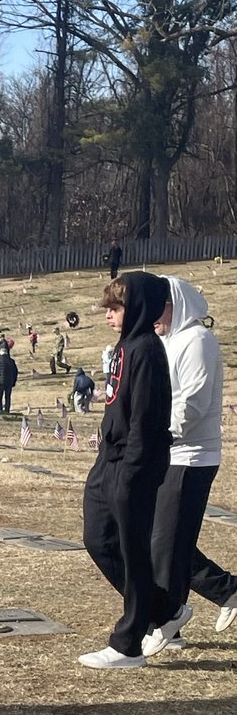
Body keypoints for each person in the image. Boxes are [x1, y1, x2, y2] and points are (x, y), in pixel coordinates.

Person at [79, 272, 174, 669]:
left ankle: (128, 644)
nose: (108, 315)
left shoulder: (147, 351)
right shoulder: (124, 348)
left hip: (135, 462)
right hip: (110, 457)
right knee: (98, 537)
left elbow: (147, 420)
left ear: (135, 309)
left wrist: (132, 472)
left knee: (134, 550)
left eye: (116, 308)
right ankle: (164, 610)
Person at [142, 277, 237, 654]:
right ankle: (222, 592)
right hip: (171, 453)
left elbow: (192, 405)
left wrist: (155, 435)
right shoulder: (171, 340)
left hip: (191, 456)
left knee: (165, 543)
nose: (152, 318)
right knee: (167, 540)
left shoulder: (197, 341)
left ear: (175, 304)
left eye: (157, 308)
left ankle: (166, 621)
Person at [0, 344, 18, 413]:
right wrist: (14, 381)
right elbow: (15, 372)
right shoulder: (11, 361)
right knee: (7, 397)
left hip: (0, 381)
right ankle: (7, 411)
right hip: (9, 382)